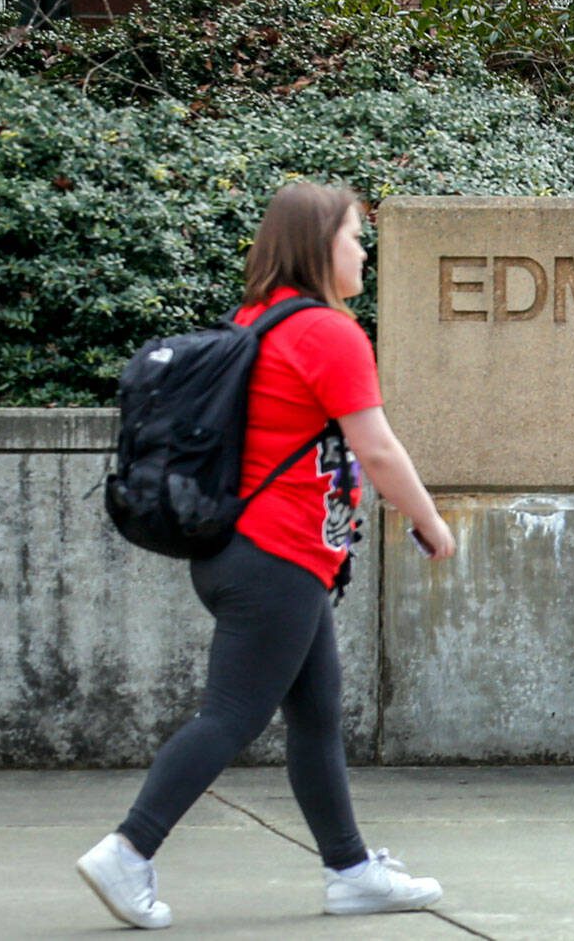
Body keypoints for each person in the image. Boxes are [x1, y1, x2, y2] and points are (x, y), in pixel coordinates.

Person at [77, 183, 456, 929]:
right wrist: (431, 520)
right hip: (275, 557)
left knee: (315, 715)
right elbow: (376, 448)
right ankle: (129, 848)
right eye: (354, 236)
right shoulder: (329, 333)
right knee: (230, 715)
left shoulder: (256, 322)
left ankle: (350, 871)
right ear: (320, 245)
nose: (364, 250)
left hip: (248, 555)